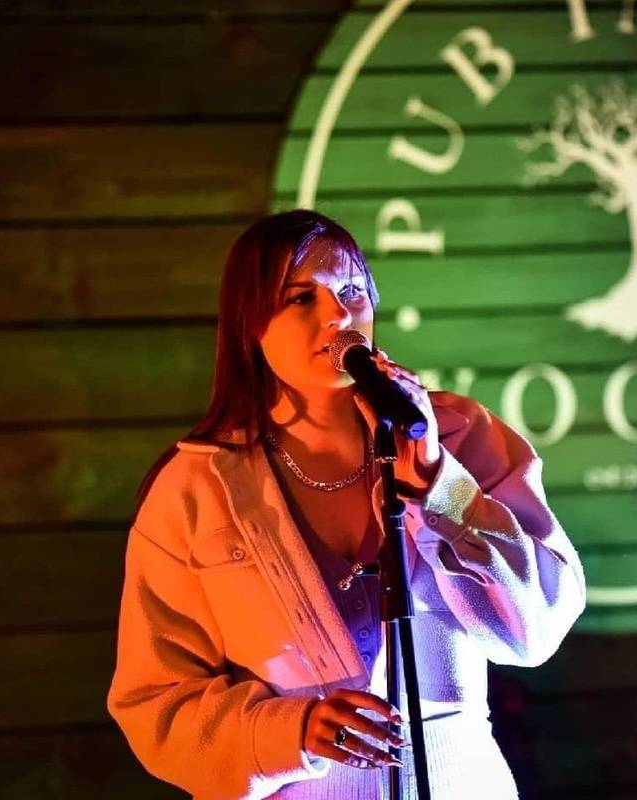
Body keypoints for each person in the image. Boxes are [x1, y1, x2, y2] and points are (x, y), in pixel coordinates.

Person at [106, 209, 586, 799]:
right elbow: (156, 702)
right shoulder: (195, 487)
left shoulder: (463, 435)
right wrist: (293, 732)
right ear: (248, 325)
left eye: (352, 291)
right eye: (300, 299)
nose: (337, 316)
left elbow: (534, 632)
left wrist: (443, 487)